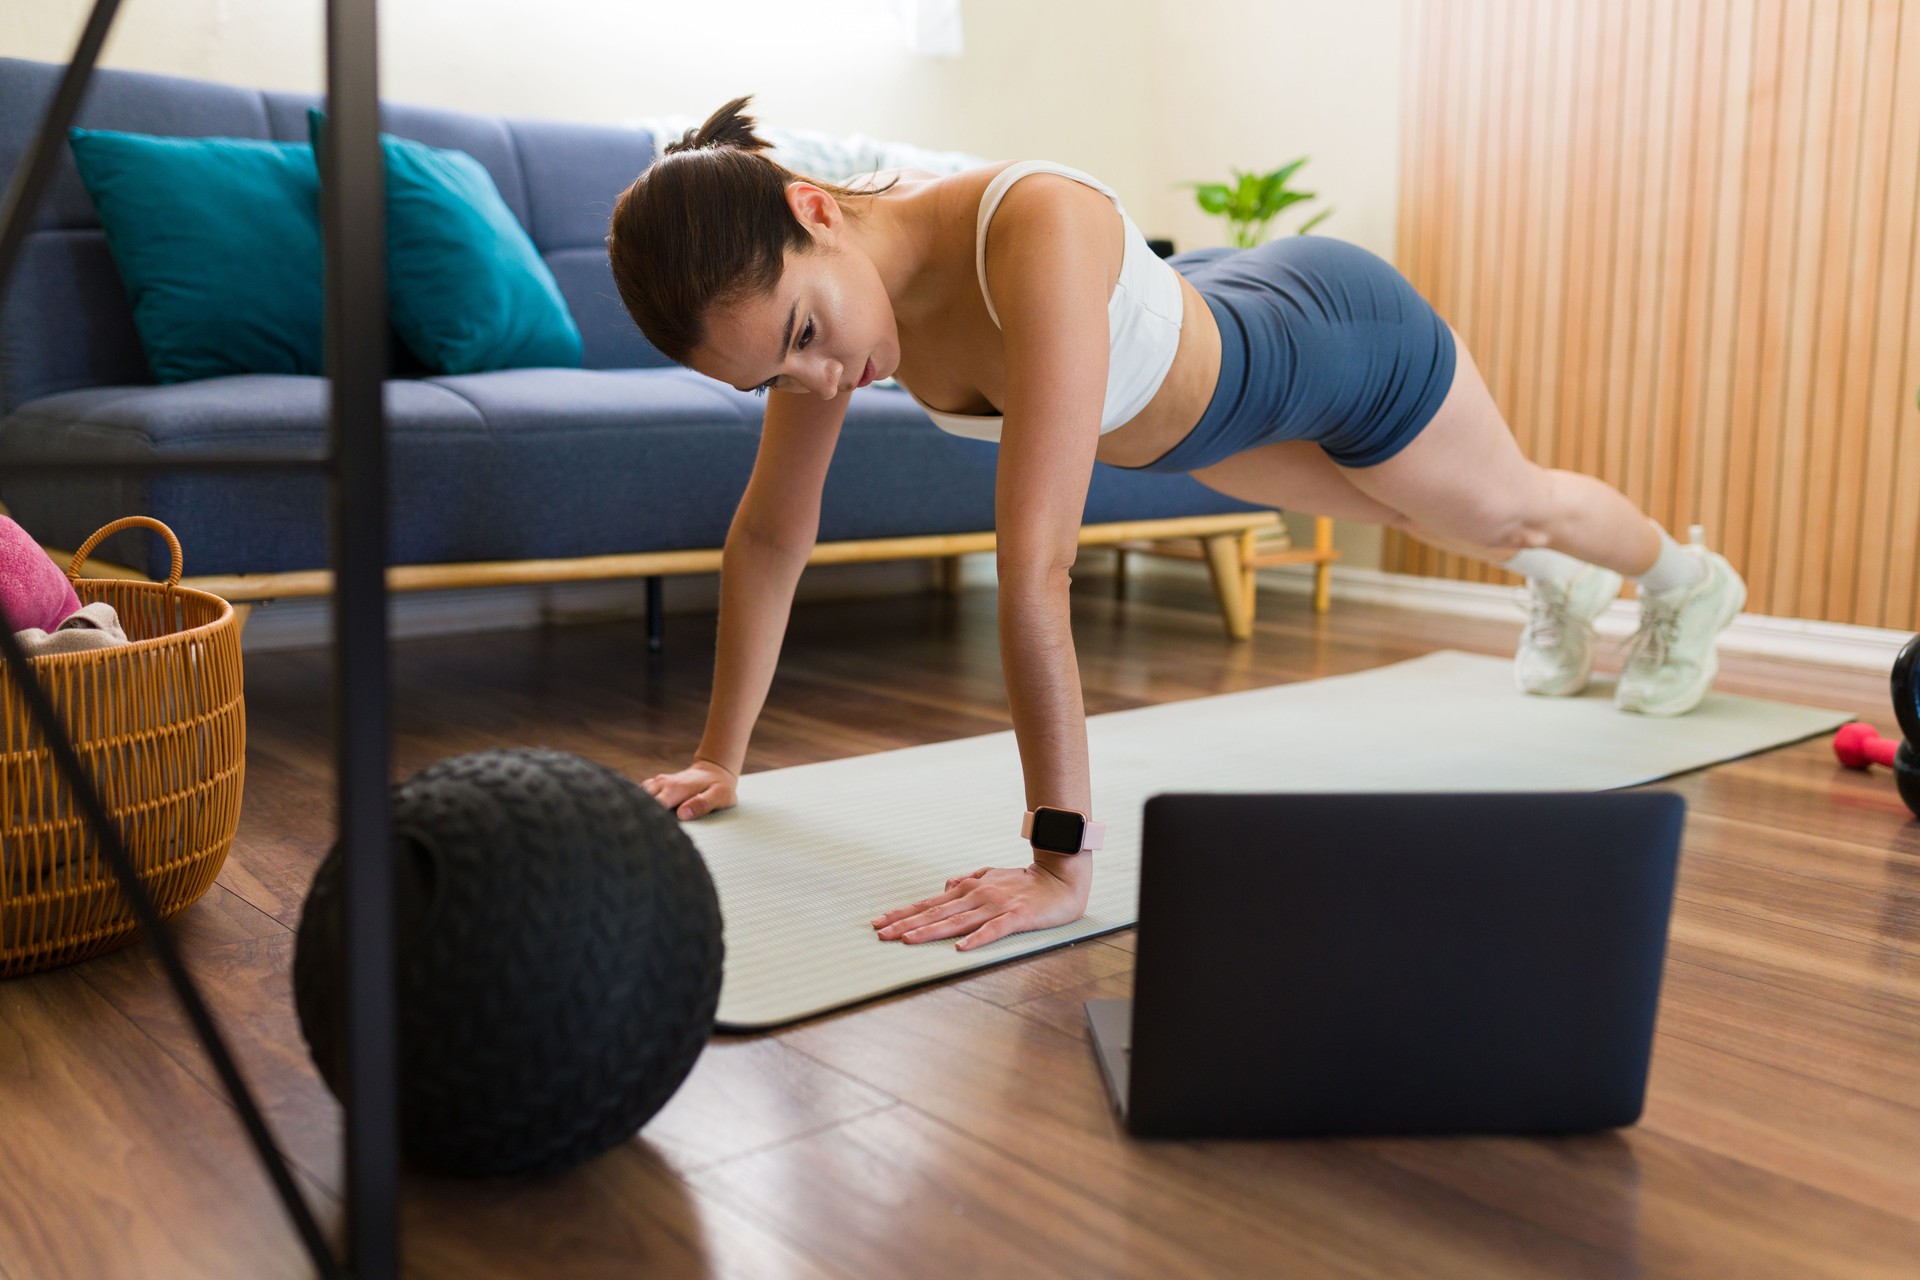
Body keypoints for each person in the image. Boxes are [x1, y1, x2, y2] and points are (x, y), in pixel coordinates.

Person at [607, 97, 1747, 952]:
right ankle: (1563, 587)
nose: (816, 377)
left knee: (1509, 510)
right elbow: (768, 536)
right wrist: (721, 756)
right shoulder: (832, 317)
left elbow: (1037, 568)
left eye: (807, 333)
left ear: (815, 210)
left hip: (1336, 343)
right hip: (1216, 410)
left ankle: (1689, 579)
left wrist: (1060, 860)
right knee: (1455, 526)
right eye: (776, 377)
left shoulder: (1030, 225)